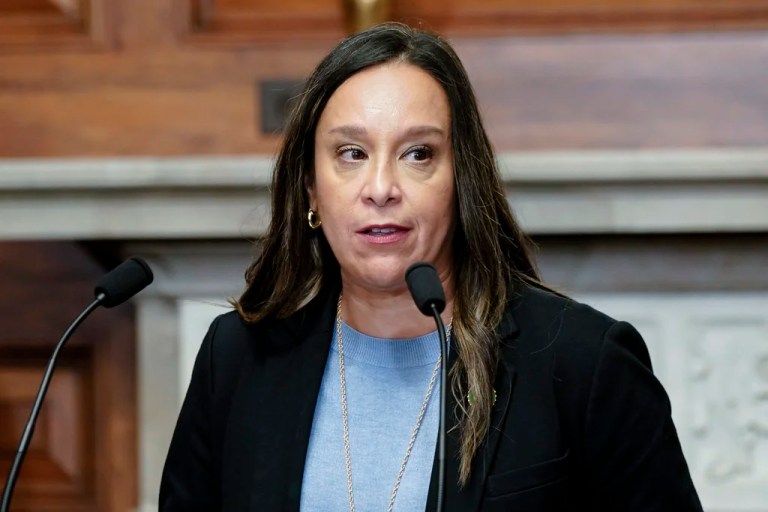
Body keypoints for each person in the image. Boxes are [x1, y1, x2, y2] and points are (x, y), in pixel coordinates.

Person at [159, 22, 703, 511]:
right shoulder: (236, 359)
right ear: (311, 190)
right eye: (351, 153)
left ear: (461, 181)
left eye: (418, 153)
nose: (380, 189)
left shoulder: (584, 363)